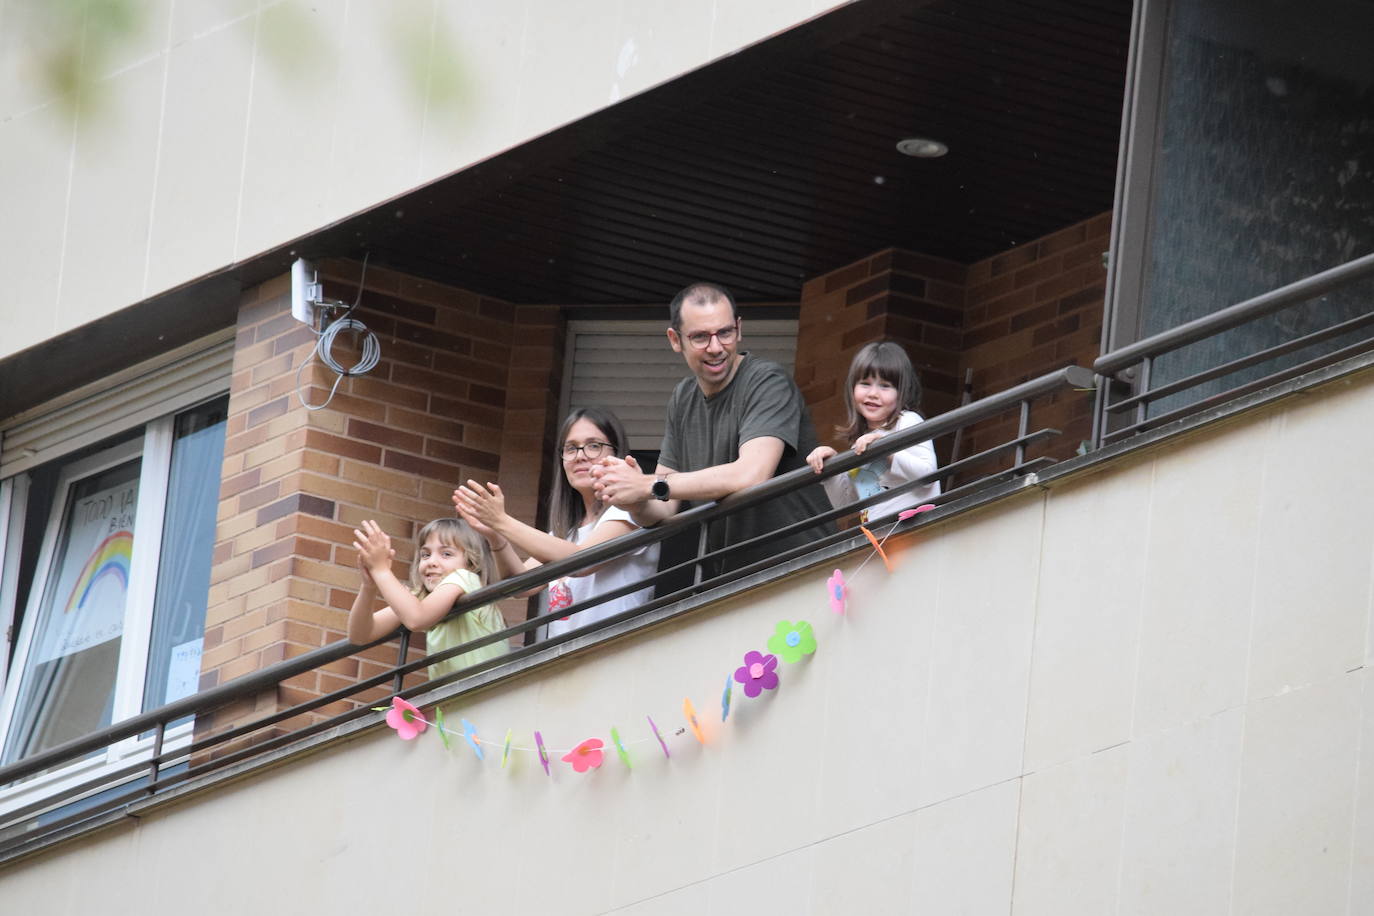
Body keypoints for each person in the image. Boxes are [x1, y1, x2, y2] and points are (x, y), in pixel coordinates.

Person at [591, 281, 831, 573]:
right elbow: (664, 506)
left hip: (800, 564)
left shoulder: (767, 381)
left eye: (725, 333)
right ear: (675, 339)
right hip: (731, 579)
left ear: (739, 328)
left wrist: (647, 485)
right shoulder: (682, 398)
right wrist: (633, 496)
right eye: (700, 337)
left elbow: (751, 474)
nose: (716, 347)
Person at [453, 407, 659, 639]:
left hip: (616, 653)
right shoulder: (565, 534)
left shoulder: (629, 511)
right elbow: (521, 586)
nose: (580, 456)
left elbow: (582, 561)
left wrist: (502, 521)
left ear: (616, 453)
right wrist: (495, 535)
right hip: (569, 658)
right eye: (571, 448)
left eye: (593, 445)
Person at [346, 517, 509, 681]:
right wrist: (369, 586)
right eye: (425, 554)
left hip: (487, 698)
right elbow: (360, 635)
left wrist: (381, 570)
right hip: (454, 701)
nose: (432, 562)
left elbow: (417, 618)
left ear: (471, 563)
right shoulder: (422, 598)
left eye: (446, 554)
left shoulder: (466, 577)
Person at [805, 340, 940, 522]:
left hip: (916, 533)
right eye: (865, 383)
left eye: (885, 386)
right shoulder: (859, 444)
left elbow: (928, 474)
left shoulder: (907, 421)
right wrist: (829, 469)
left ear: (901, 392)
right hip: (880, 538)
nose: (873, 393)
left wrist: (887, 453)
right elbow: (844, 503)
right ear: (852, 388)